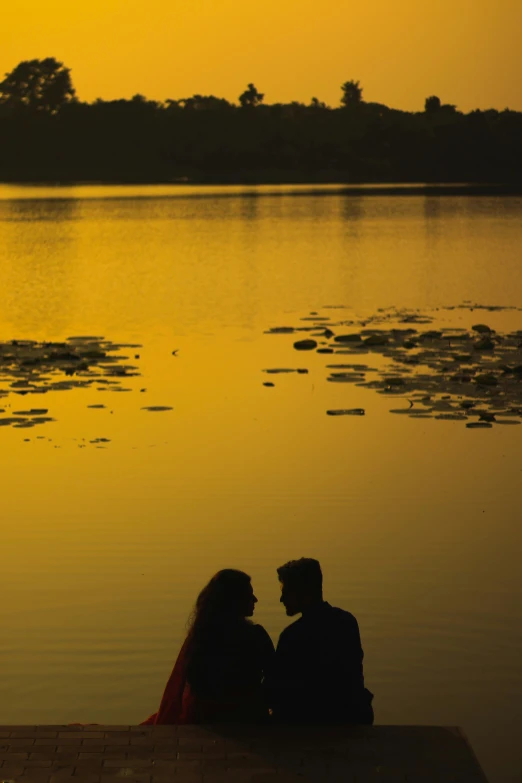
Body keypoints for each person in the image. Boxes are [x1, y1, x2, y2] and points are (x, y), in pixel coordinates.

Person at [142, 569, 274, 724]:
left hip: (205, 716)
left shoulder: (201, 637)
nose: (255, 599)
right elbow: (275, 677)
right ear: (234, 600)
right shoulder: (256, 636)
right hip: (246, 715)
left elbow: (195, 682)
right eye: (249, 595)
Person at [267, 558, 374, 724]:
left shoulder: (292, 636)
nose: (281, 599)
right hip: (351, 715)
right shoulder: (347, 622)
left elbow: (277, 688)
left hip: (309, 721)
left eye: (286, 592)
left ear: (303, 592)